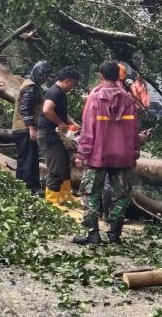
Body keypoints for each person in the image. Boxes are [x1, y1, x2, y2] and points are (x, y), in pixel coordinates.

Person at [73, 61, 150, 245]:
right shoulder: (129, 99)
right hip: (122, 156)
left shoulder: (95, 98)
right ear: (119, 76)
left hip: (97, 155)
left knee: (90, 194)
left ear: (100, 75)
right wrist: (135, 152)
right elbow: (133, 130)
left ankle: (93, 235)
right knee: (121, 195)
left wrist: (81, 154)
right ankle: (115, 235)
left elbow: (88, 129)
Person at [39, 66, 81, 205]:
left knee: (64, 164)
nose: (73, 87)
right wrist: (60, 123)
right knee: (55, 166)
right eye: (73, 84)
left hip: (57, 134)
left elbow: (63, 114)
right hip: (48, 134)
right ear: (67, 81)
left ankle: (65, 194)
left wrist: (72, 124)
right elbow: (47, 109)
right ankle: (52, 200)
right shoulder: (54, 92)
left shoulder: (61, 94)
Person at [10, 61, 51, 195]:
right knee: (29, 160)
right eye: (44, 76)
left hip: (21, 129)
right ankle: (29, 189)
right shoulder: (31, 87)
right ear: (39, 74)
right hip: (25, 129)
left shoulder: (31, 85)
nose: (45, 79)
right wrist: (32, 128)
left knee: (25, 159)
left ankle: (20, 187)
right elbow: (26, 109)